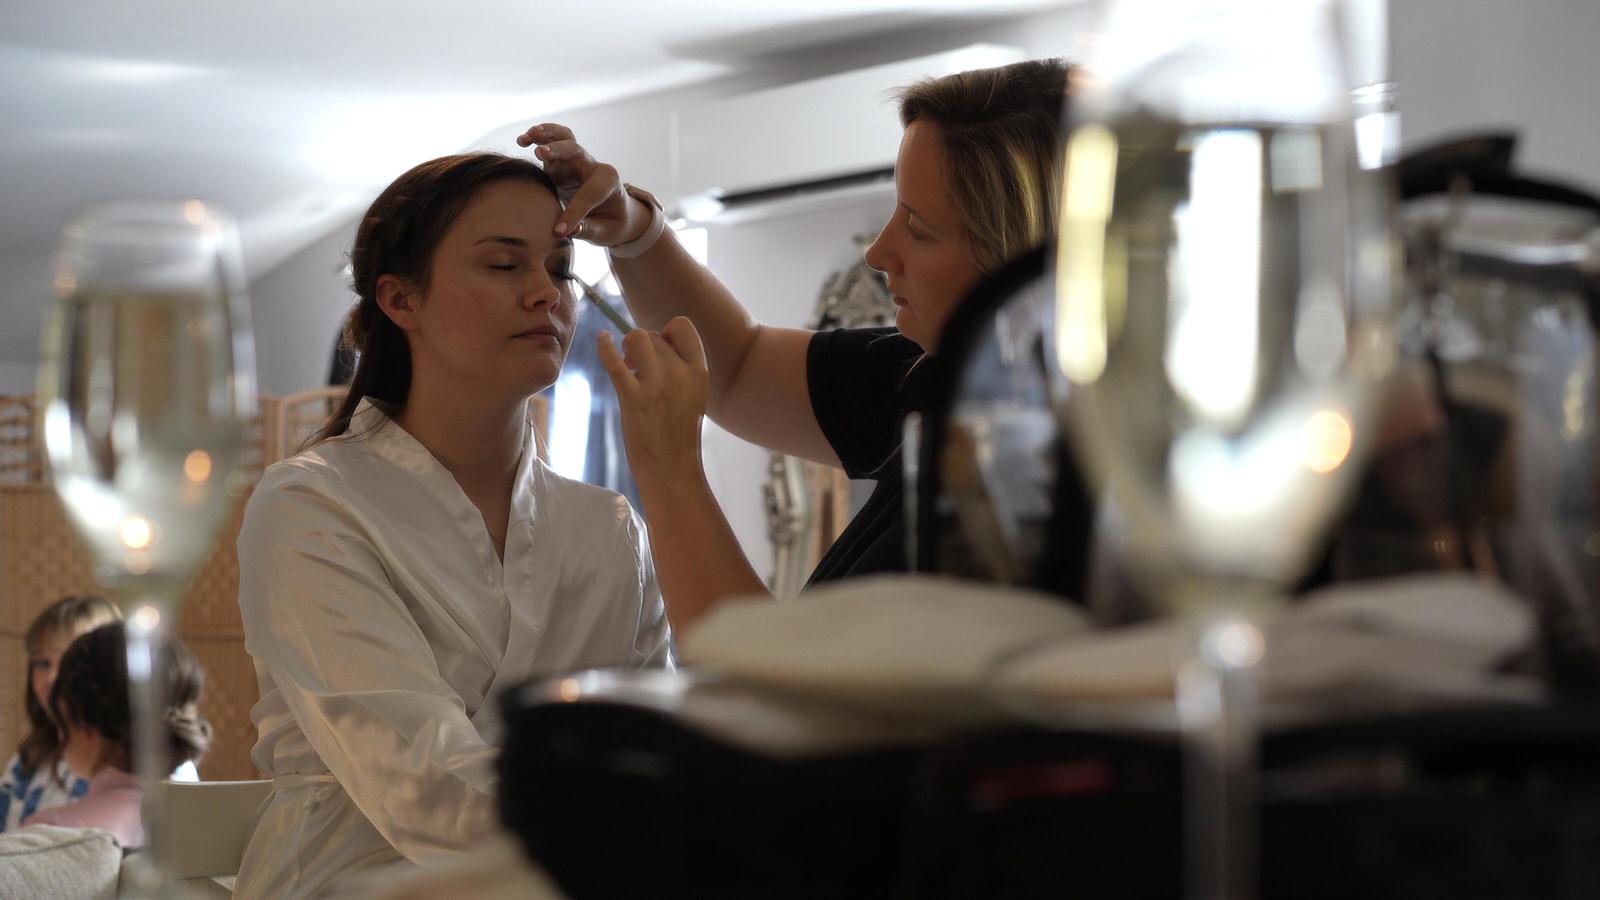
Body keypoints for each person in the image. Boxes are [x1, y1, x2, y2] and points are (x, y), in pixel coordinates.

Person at [233, 152, 673, 898]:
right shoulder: (310, 504)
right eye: (504, 265)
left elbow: (659, 747)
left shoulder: (608, 528)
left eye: (560, 269)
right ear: (401, 300)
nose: (545, 293)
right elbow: (423, 783)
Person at [519, 58, 1071, 629]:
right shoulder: (932, 381)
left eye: (920, 228)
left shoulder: (1042, 499)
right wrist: (636, 233)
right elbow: (739, 365)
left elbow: (777, 693)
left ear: (1023, 262)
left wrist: (670, 467)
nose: (878, 252)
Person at [21, 622, 211, 850]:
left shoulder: (48, 834)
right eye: (41, 663)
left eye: (62, 721)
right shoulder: (214, 824)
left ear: (86, 726)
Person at [0, 594, 122, 833]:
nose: (52, 678)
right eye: (42, 663)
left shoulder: (145, 764)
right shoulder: (27, 761)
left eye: (69, 661)